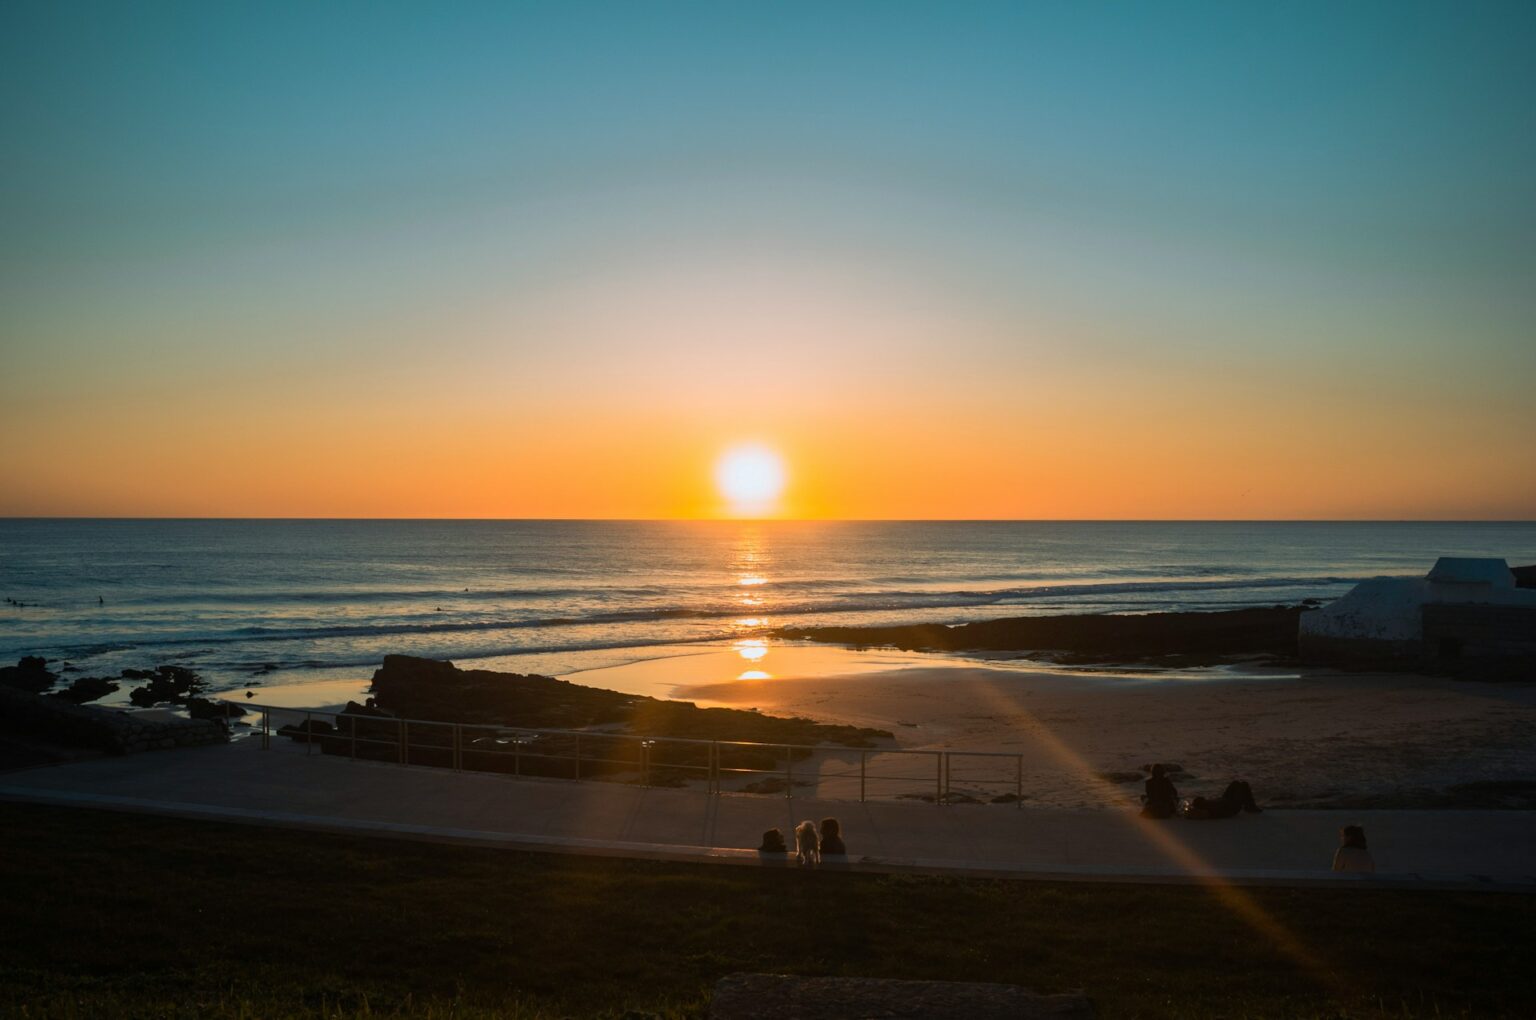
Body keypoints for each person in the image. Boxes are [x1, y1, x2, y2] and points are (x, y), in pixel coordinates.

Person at [1183, 780, 1263, 819]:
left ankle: (1249, 806)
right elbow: (1197, 815)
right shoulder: (1207, 811)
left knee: (1235, 783)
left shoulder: (1206, 806)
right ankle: (1250, 807)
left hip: (1225, 800)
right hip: (1233, 807)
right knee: (1243, 785)